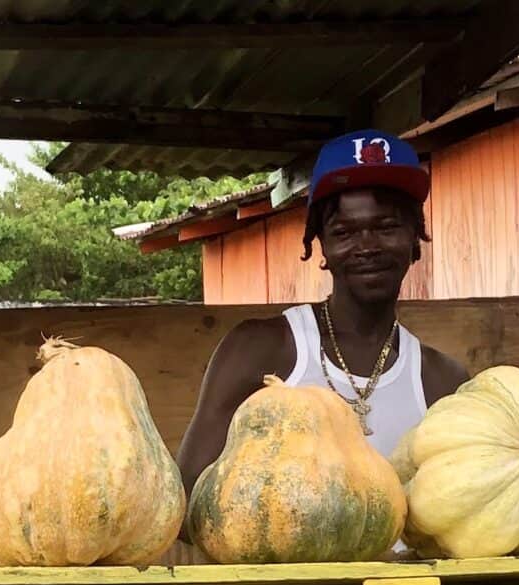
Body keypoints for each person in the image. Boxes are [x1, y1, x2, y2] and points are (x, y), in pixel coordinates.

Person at [176, 129, 469, 547]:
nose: (366, 246)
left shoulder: (443, 382)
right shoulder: (261, 350)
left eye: (386, 226)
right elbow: (189, 504)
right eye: (344, 232)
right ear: (321, 247)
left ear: (415, 240)